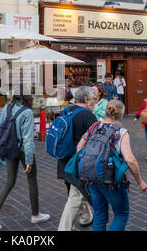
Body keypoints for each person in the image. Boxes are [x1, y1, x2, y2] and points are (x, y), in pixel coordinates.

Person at [0, 84, 50, 230]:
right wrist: (29, 160)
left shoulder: (7, 108)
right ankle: (35, 214)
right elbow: (27, 139)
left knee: (9, 181)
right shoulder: (26, 112)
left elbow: (1, 127)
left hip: (8, 148)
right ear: (28, 96)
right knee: (32, 180)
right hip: (22, 150)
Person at [78, 100, 147, 231]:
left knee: (99, 215)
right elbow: (130, 160)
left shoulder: (94, 127)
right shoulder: (121, 132)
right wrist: (140, 181)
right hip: (111, 181)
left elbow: (79, 148)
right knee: (121, 214)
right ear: (121, 115)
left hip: (92, 179)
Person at [58, 86, 98, 231]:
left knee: (77, 190)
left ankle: (86, 217)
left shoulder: (67, 110)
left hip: (64, 159)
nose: (96, 101)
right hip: (79, 162)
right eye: (94, 99)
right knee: (76, 196)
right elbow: (95, 141)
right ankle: (64, 228)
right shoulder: (88, 116)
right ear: (86, 99)